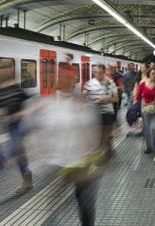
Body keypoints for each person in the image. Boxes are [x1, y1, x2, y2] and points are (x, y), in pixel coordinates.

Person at [27, 67, 102, 226]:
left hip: (84, 164)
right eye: (62, 78)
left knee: (86, 205)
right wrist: (41, 159)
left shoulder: (83, 104)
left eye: (70, 78)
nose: (66, 81)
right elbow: (38, 134)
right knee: (52, 206)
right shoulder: (47, 105)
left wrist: (93, 156)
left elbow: (93, 133)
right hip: (58, 164)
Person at [0, 58, 32, 194]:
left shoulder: (18, 87)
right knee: (19, 155)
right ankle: (28, 180)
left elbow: (30, 106)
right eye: (1, 68)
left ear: (11, 70)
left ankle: (27, 180)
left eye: (6, 68)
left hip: (21, 125)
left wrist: (21, 113)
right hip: (10, 126)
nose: (3, 71)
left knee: (11, 151)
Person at [83, 65, 118, 159]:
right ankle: (101, 151)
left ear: (103, 72)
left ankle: (104, 151)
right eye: (95, 72)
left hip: (107, 112)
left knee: (105, 134)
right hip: (94, 112)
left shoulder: (110, 83)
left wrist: (107, 99)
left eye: (100, 72)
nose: (97, 74)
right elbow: (84, 98)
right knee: (97, 135)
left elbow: (116, 98)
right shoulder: (89, 84)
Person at [134, 68, 155, 154]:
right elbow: (137, 96)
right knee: (147, 128)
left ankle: (154, 144)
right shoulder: (143, 84)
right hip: (145, 108)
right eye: (152, 73)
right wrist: (134, 105)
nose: (154, 75)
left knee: (153, 127)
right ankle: (149, 147)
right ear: (149, 74)